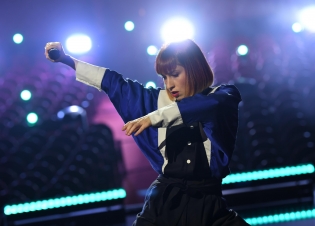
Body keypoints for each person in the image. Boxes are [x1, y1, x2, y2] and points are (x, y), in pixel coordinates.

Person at [44, 39, 249, 226]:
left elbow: (206, 107)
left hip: (211, 206)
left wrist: (153, 118)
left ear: (194, 69)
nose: (169, 84)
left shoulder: (224, 96)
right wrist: (66, 60)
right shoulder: (153, 101)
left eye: (175, 74)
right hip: (163, 203)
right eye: (164, 77)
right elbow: (112, 82)